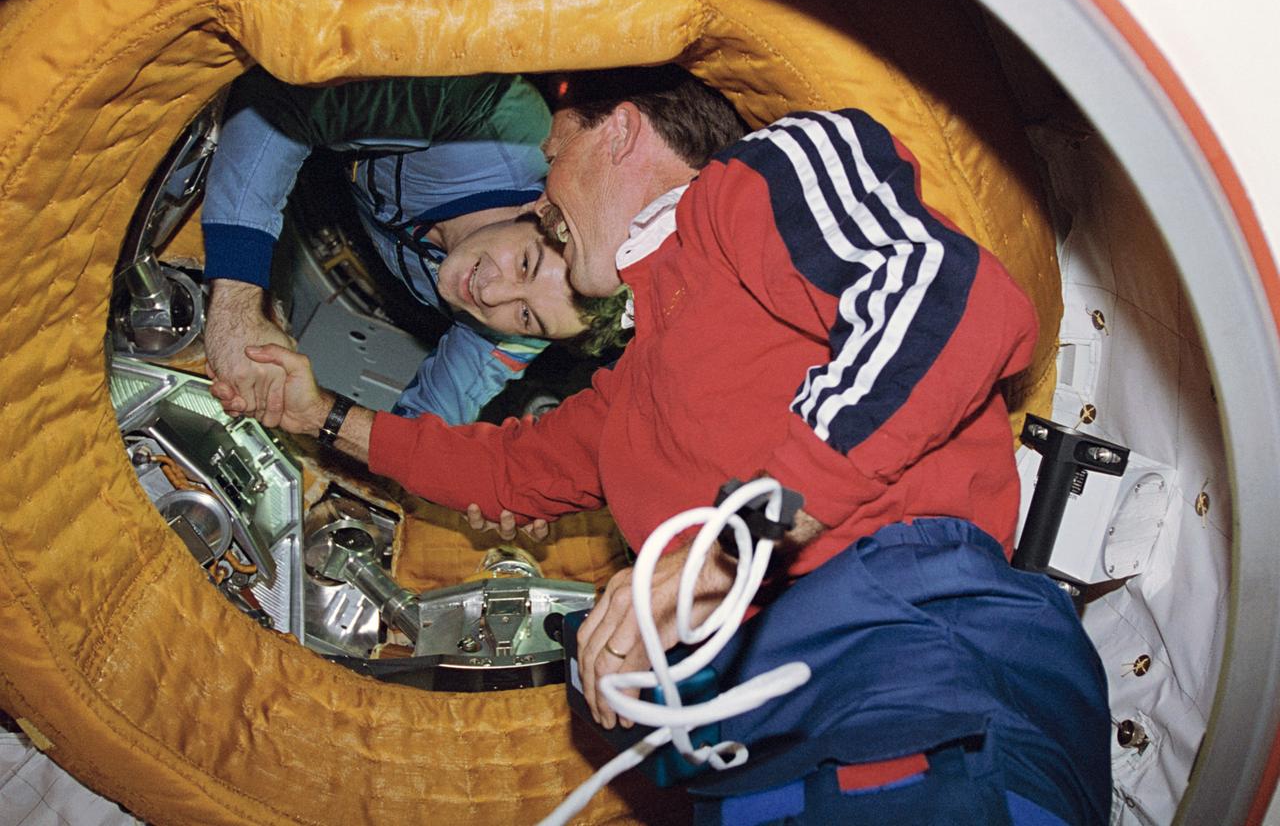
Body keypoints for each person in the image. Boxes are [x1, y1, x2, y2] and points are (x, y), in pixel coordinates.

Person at [245, 66, 1109, 824]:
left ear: (619, 130)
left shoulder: (755, 182)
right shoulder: (634, 381)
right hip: (743, 750)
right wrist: (321, 416)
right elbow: (506, 469)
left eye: (551, 157)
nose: (542, 199)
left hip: (907, 665)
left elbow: (941, 298)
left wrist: (725, 549)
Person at [201, 68, 628, 428]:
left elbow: (427, 434)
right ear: (543, 209)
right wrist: (241, 299)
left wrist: (317, 415)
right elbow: (277, 99)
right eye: (524, 264)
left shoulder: (533, 321)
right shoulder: (485, 115)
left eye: (525, 314)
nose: (491, 295)